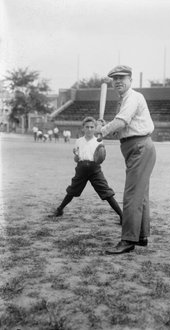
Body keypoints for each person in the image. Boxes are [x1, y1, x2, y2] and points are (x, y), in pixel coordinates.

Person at [97, 65, 156, 254]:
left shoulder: (133, 97)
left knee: (132, 195)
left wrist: (102, 131)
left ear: (131, 80)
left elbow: (121, 122)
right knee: (140, 194)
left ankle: (127, 239)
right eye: (115, 78)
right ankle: (140, 236)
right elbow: (122, 127)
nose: (117, 81)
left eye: (122, 77)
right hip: (134, 147)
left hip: (140, 147)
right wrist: (105, 126)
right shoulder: (124, 100)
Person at [49, 116, 123, 224]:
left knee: (107, 193)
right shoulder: (79, 141)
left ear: (95, 128)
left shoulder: (99, 141)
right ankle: (59, 210)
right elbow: (76, 159)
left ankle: (122, 215)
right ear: (83, 128)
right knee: (71, 191)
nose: (89, 129)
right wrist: (76, 156)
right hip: (81, 168)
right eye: (87, 127)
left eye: (92, 127)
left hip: (95, 170)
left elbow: (101, 158)